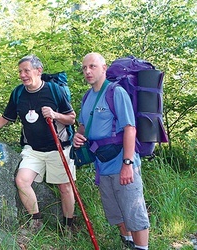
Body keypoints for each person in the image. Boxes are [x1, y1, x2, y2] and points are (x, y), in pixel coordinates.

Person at [0, 55, 77, 232]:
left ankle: (68, 226)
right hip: (33, 149)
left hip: (59, 148)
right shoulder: (18, 93)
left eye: (26, 70)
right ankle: (36, 220)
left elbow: (71, 118)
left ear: (38, 71)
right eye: (20, 71)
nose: (22, 75)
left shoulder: (54, 90)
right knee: (22, 180)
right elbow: (6, 118)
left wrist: (55, 115)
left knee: (65, 187)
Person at [73, 52, 150, 249]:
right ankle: (128, 243)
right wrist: (77, 136)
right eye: (84, 68)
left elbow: (129, 129)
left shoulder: (116, 93)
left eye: (92, 66)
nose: (88, 71)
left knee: (133, 210)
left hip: (121, 160)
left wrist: (127, 164)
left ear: (104, 68)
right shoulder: (87, 97)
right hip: (102, 163)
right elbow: (84, 127)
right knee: (115, 211)